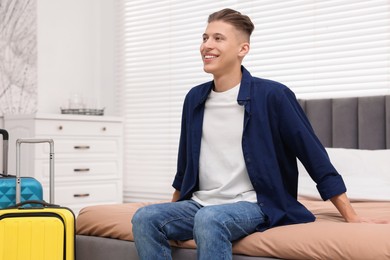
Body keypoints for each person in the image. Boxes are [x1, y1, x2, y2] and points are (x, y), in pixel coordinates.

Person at [131, 8, 387, 260]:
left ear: (243, 49)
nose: (206, 45)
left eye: (218, 38)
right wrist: (173, 205)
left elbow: (314, 157)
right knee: (145, 218)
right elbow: (185, 163)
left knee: (210, 219)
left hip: (256, 204)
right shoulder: (194, 98)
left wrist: (351, 216)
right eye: (205, 38)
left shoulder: (273, 96)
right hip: (201, 203)